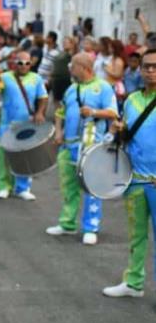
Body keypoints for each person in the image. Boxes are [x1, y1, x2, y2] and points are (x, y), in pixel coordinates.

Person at [46, 53, 118, 245]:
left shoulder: (103, 87)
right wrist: (59, 132)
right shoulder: (72, 89)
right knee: (68, 186)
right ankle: (67, 223)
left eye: (73, 66)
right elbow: (61, 111)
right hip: (69, 145)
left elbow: (113, 113)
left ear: (84, 67)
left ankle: (91, 227)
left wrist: (93, 112)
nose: (70, 68)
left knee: (91, 187)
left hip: (92, 146)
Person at [102, 49, 156, 298]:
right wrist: (117, 129)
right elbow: (125, 135)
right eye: (146, 66)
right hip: (134, 180)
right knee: (136, 235)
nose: (150, 71)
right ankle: (134, 283)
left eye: (155, 67)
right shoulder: (132, 99)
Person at [0, 50, 48, 201]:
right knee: (4, 156)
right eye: (20, 63)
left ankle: (22, 188)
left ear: (31, 64)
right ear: (14, 63)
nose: (23, 66)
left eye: (27, 63)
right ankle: (4, 186)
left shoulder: (36, 79)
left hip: (26, 124)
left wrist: (39, 112)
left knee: (24, 157)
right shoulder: (5, 77)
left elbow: (43, 97)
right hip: (7, 123)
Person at [49, 35, 76, 103]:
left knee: (63, 99)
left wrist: (73, 47)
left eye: (66, 42)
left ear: (72, 44)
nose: (64, 44)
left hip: (64, 79)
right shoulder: (61, 52)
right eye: (63, 42)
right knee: (56, 100)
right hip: (55, 79)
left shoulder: (71, 54)